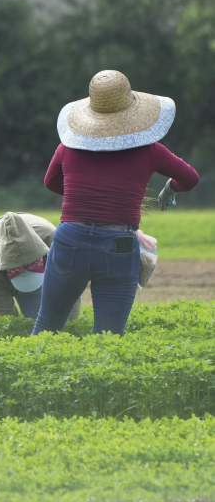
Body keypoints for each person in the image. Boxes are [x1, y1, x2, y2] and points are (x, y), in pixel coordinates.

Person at [32, 70, 200, 336]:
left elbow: (51, 183)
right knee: (108, 338)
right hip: (118, 245)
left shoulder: (68, 147)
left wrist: (86, 199)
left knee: (47, 326)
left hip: (70, 239)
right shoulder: (150, 150)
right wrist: (170, 188)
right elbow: (190, 178)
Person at [0, 212, 80, 324]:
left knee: (38, 326)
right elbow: (7, 320)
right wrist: (14, 329)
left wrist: (70, 326)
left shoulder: (57, 245)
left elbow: (71, 290)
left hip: (39, 233)